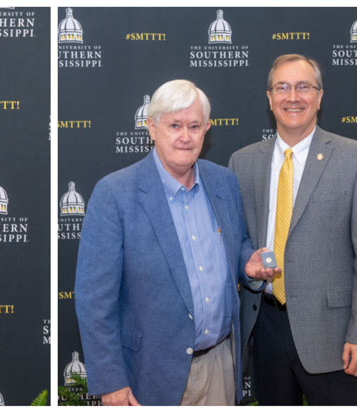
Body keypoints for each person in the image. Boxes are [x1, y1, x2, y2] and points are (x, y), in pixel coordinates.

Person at [74, 79, 277, 406]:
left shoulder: (223, 182)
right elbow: (94, 300)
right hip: (148, 376)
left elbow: (236, 243)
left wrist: (247, 265)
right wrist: (111, 382)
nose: (185, 136)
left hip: (219, 367)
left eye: (194, 126)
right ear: (151, 128)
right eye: (174, 125)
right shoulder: (115, 195)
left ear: (207, 129)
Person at [228, 54, 357, 405]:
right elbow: (237, 241)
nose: (292, 97)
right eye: (282, 87)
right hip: (265, 326)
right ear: (269, 98)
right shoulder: (243, 162)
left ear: (319, 95)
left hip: (333, 336)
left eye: (303, 87)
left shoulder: (356, 158)